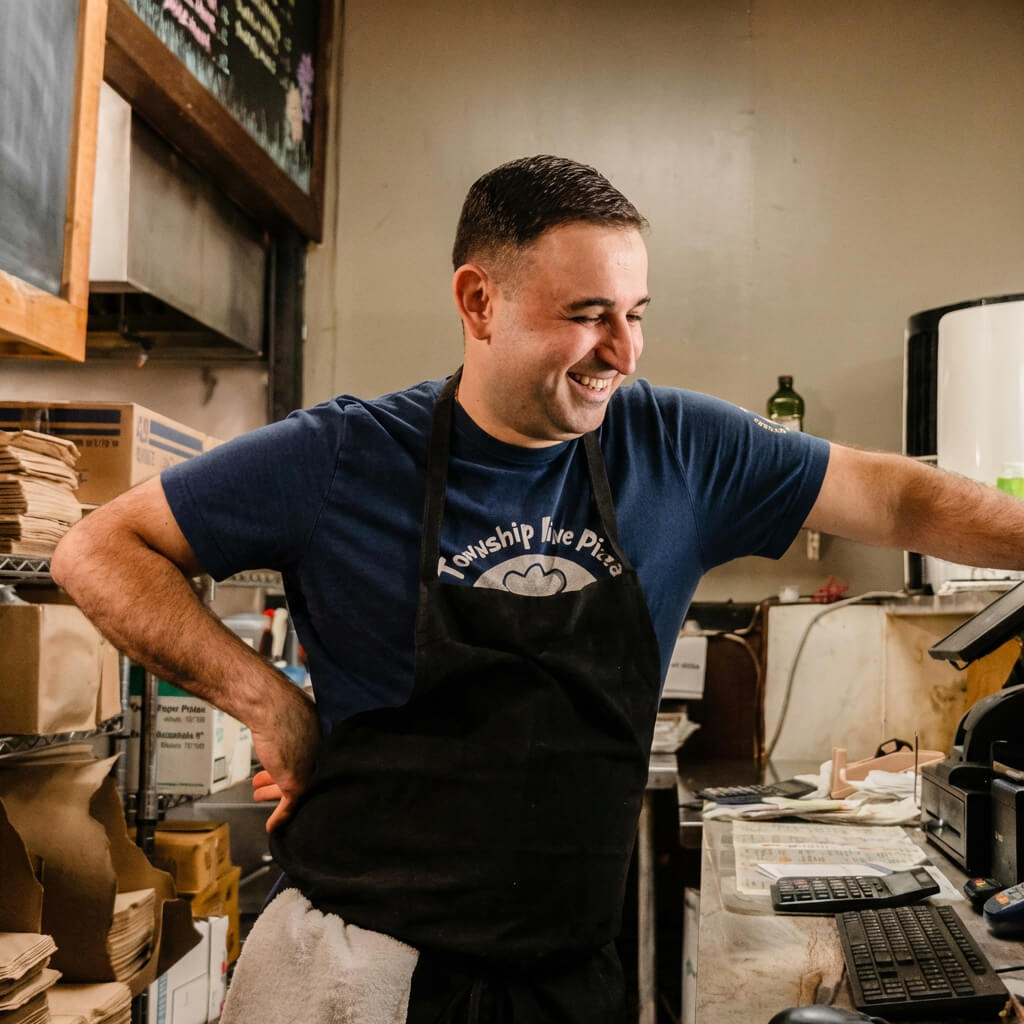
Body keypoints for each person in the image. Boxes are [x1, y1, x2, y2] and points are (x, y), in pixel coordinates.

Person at [51, 155, 1024, 1023]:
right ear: (479, 301)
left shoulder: (676, 447)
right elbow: (101, 547)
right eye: (587, 315)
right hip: (365, 971)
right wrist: (266, 702)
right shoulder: (344, 455)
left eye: (634, 315)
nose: (624, 352)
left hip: (571, 974)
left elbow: (893, 495)